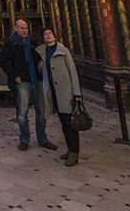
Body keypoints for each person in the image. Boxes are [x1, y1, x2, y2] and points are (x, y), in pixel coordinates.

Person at [0, 19, 57, 151]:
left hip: (36, 80)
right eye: (21, 28)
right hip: (22, 82)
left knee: (41, 112)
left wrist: (41, 64)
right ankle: (24, 139)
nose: (24, 30)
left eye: (26, 28)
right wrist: (15, 76)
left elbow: (40, 56)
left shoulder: (32, 42)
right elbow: (4, 62)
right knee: (22, 112)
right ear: (15, 29)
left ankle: (43, 139)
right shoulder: (10, 44)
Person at [36, 29, 83, 166]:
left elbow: (72, 72)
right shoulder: (43, 52)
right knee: (64, 123)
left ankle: (74, 153)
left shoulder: (63, 51)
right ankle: (70, 149)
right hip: (54, 92)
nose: (48, 36)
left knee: (71, 123)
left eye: (50, 33)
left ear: (55, 36)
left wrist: (76, 93)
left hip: (66, 93)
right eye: (45, 34)